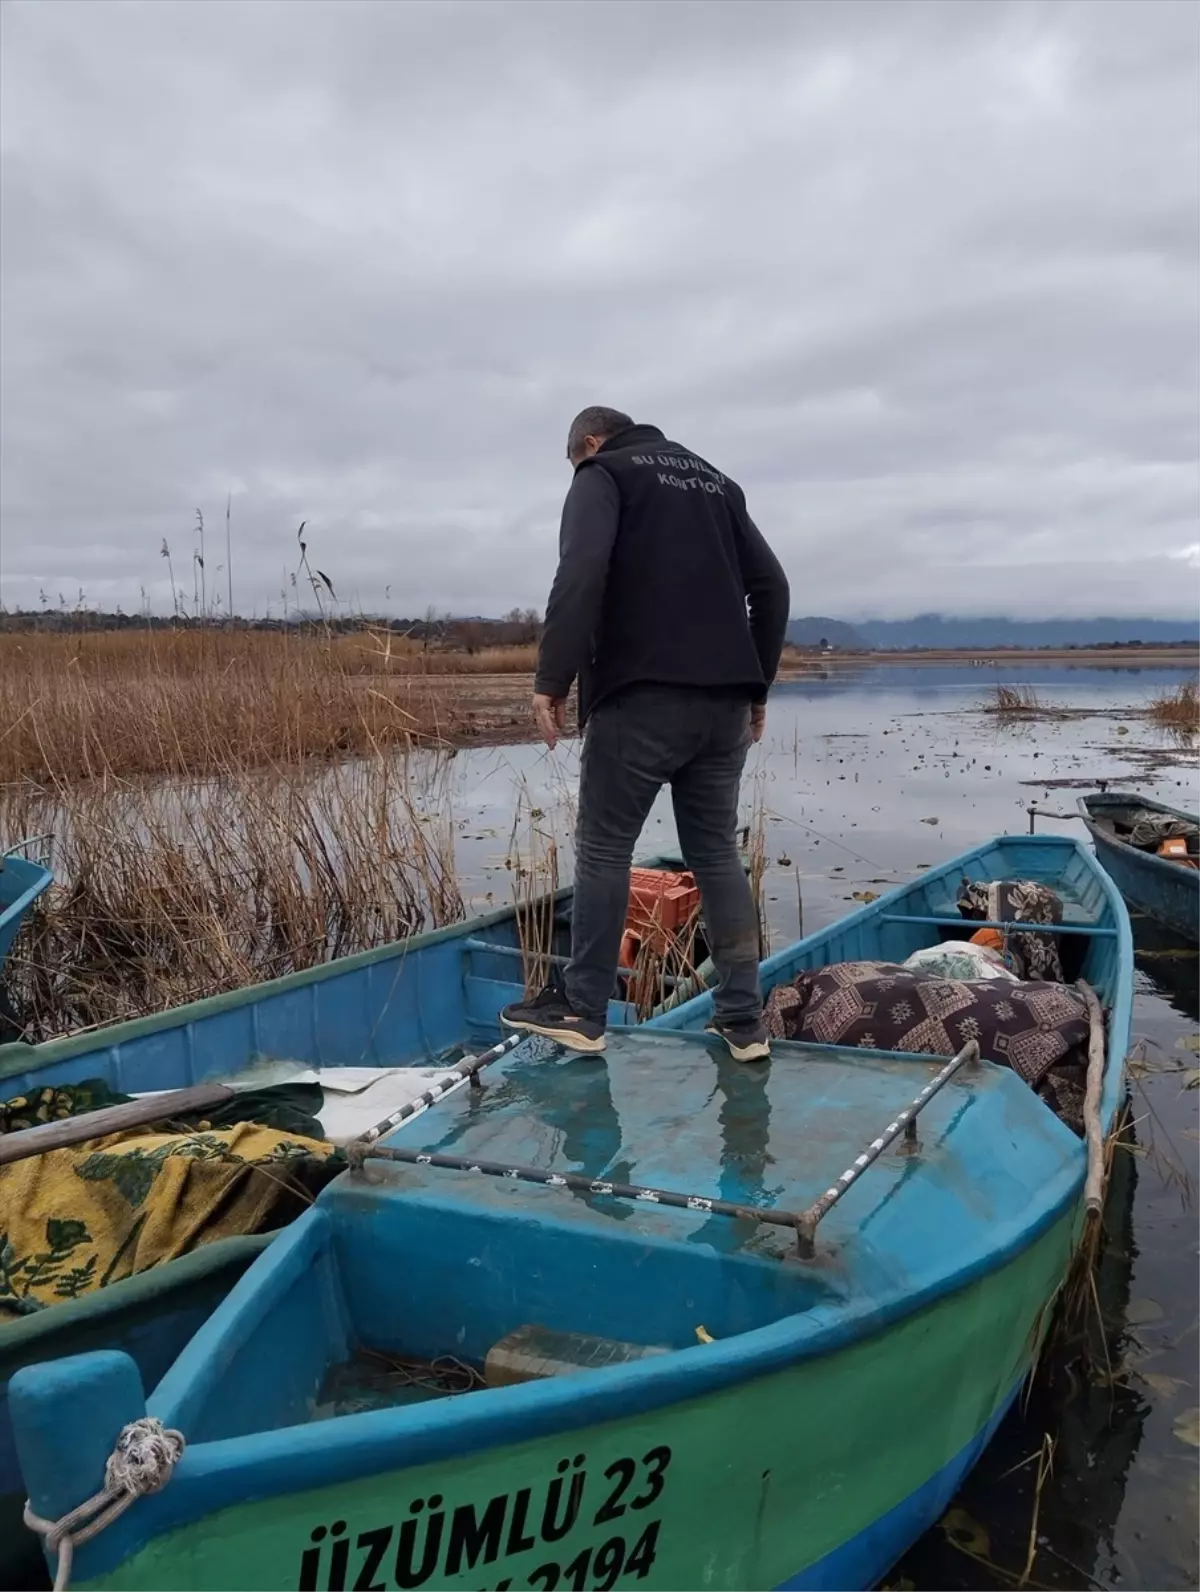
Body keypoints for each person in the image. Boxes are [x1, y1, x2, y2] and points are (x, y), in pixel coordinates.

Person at [500, 406, 790, 1062]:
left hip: (641, 698)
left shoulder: (602, 473)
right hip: (724, 706)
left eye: (573, 461)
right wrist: (757, 683)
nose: (576, 471)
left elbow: (581, 571)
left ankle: (581, 1009)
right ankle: (743, 1022)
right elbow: (771, 587)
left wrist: (553, 677)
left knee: (603, 851)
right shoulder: (717, 483)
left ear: (589, 443)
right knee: (715, 853)